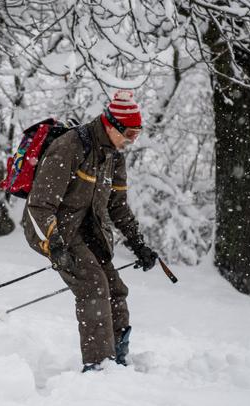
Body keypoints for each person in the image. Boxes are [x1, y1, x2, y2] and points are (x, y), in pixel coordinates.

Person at [22, 89, 159, 372]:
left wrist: (138, 244)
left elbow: (117, 206)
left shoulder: (114, 156)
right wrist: (54, 245)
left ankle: (118, 359)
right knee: (93, 285)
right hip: (54, 229)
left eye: (138, 133)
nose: (133, 140)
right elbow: (39, 207)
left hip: (89, 233)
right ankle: (99, 367)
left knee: (115, 289)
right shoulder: (69, 147)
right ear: (111, 125)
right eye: (130, 133)